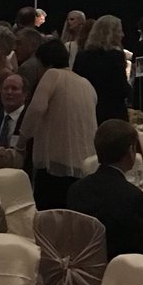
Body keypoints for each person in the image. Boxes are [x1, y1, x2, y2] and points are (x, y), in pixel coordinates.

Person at [67, 119, 143, 264]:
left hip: (84, 273)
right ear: (130, 151)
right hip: (124, 277)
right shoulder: (134, 197)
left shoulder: (76, 190)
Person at [20, 38, 99, 210]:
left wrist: (20, 142)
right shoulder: (85, 83)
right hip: (84, 165)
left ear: (44, 64)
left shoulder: (52, 75)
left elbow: (36, 109)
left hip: (55, 164)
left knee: (50, 220)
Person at [73, 15, 131, 124]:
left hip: (87, 111)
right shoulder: (115, 56)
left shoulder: (82, 56)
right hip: (112, 113)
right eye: (119, 31)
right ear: (110, 34)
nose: (122, 35)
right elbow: (121, 89)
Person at [0, 73, 29, 153]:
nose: (9, 92)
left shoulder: (29, 121)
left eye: (14, 89)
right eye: (5, 88)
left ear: (25, 94)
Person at [13, 28, 45, 96]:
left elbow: (20, 98)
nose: (15, 48)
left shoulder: (26, 67)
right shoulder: (42, 63)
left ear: (33, 46)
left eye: (19, 43)